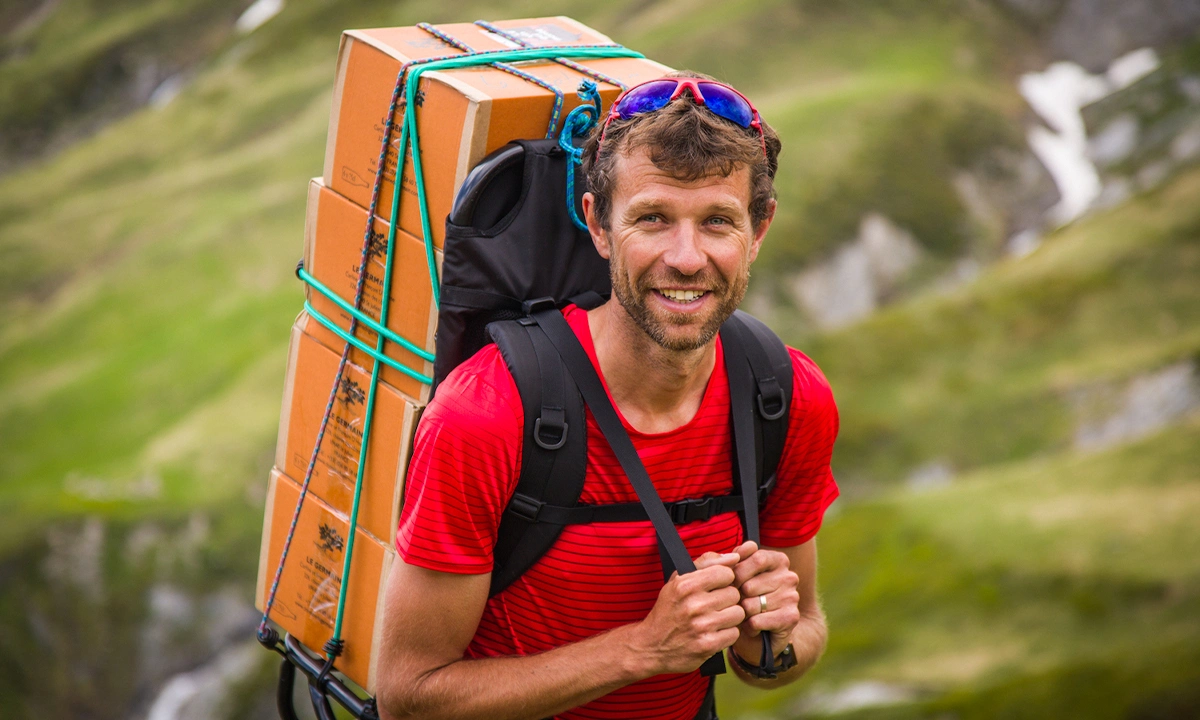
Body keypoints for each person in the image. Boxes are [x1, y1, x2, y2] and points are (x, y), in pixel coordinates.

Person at [375, 71, 840, 720]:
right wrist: (643, 650)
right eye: (652, 218)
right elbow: (406, 696)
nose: (686, 257)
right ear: (598, 225)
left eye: (717, 222)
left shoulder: (786, 398)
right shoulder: (484, 416)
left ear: (758, 231)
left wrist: (767, 638)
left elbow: (798, 639)